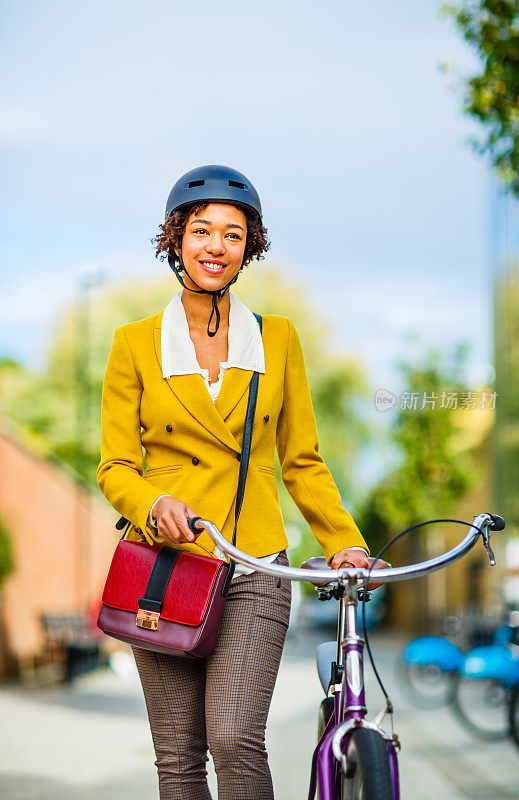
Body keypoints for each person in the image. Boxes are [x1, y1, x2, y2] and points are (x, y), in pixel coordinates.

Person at [96, 165, 370, 800]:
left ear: (250, 247)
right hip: (164, 571)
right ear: (175, 239)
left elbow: (302, 459)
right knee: (177, 757)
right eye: (200, 230)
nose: (215, 245)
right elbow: (114, 466)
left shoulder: (278, 339)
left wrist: (342, 542)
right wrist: (153, 500)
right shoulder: (133, 345)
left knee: (234, 738)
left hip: (255, 569)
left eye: (233, 233)